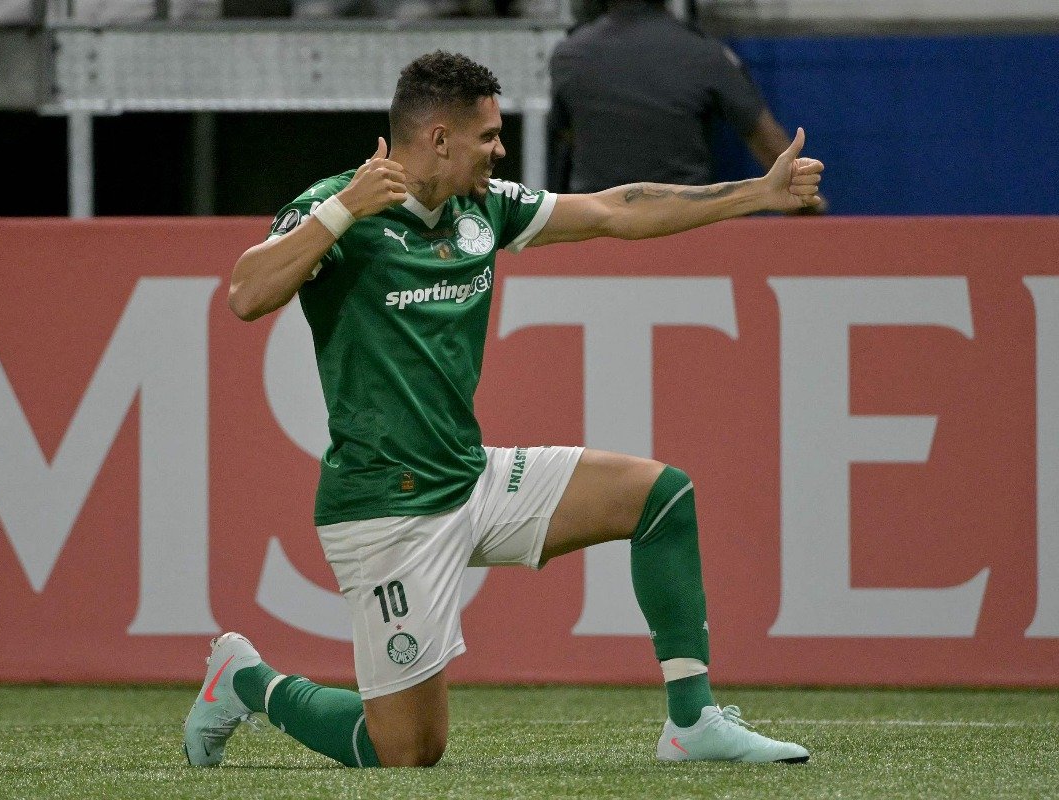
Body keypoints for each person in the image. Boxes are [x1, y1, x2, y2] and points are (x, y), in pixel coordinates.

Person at [184, 50, 822, 769]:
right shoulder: (339, 206)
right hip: (383, 507)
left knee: (660, 497)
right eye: (487, 136)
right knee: (404, 750)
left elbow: (616, 209)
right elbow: (244, 295)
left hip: (471, 477)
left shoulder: (482, 207)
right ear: (438, 139)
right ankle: (246, 681)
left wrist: (755, 194)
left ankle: (693, 722)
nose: (500, 148)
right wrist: (342, 211)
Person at [549, 0, 803, 195]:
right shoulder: (705, 54)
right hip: (682, 227)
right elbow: (770, 145)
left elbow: (566, 135)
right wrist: (807, 207)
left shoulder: (569, 54)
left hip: (595, 230)